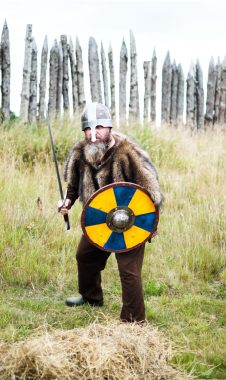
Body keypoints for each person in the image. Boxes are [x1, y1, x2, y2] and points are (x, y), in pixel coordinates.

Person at [58, 102, 163, 323]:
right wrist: (67, 201)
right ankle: (91, 297)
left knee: (129, 271)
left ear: (109, 128)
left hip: (130, 222)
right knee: (84, 256)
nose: (93, 135)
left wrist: (149, 225)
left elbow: (151, 192)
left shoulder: (127, 153)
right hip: (99, 221)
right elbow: (74, 186)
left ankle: (134, 321)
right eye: (88, 129)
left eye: (99, 128)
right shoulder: (81, 152)